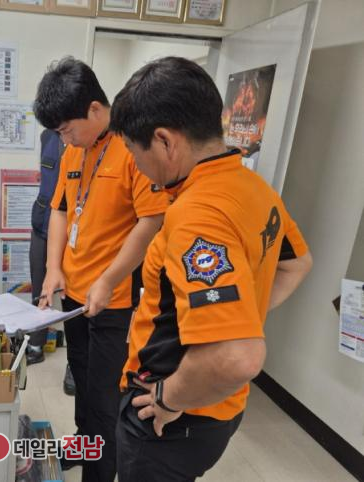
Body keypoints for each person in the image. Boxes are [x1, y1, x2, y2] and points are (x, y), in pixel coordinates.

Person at [109, 56, 313, 482]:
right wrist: (242, 319)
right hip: (219, 410)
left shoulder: (196, 215)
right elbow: (296, 264)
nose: (137, 168)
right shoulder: (253, 188)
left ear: (164, 141)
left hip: (172, 417)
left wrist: (169, 397)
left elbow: (237, 357)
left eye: (132, 151)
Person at [33, 57, 170, 481]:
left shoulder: (133, 149)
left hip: (113, 299)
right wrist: (53, 269)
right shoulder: (76, 149)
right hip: (75, 293)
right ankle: (84, 443)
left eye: (65, 129)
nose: (63, 138)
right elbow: (60, 209)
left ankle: (100, 471)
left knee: (104, 396)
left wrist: (109, 279)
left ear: (95, 109)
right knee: (81, 379)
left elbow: (152, 219)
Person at [27, 129, 65, 366]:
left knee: (78, 295)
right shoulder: (47, 136)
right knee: (40, 288)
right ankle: (35, 345)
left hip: (76, 228)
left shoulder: (89, 137)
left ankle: (75, 360)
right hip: (42, 224)